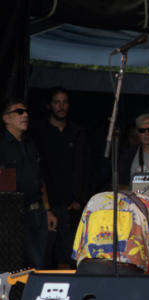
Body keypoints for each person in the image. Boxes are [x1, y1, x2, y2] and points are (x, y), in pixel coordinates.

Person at [31, 86, 90, 268]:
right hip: (45, 205)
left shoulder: (78, 132)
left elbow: (84, 169)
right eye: (57, 102)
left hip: (70, 206)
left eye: (64, 102)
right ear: (49, 105)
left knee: (68, 257)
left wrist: (79, 199)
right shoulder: (38, 131)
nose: (61, 106)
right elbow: (36, 170)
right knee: (42, 258)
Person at [0, 99, 58, 269]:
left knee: (38, 265)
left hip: (37, 213)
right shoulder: (2, 146)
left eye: (25, 111)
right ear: (6, 118)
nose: (25, 115)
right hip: (14, 215)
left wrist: (47, 210)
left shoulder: (30, 144)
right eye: (19, 112)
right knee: (17, 266)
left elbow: (40, 180)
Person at [72, 191, 149, 274]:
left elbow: (78, 248)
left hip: (88, 268)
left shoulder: (94, 200)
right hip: (126, 270)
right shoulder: (148, 202)